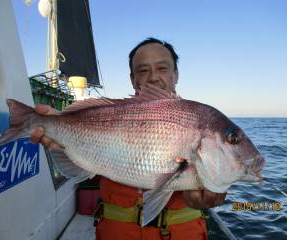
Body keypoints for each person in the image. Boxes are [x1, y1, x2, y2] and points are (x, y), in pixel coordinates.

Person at [30, 38, 227, 240]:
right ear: (133, 79)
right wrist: (61, 135)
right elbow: (92, 169)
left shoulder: (203, 123)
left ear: (175, 74)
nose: (153, 78)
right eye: (143, 71)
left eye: (162, 68)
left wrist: (207, 191)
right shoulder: (110, 114)